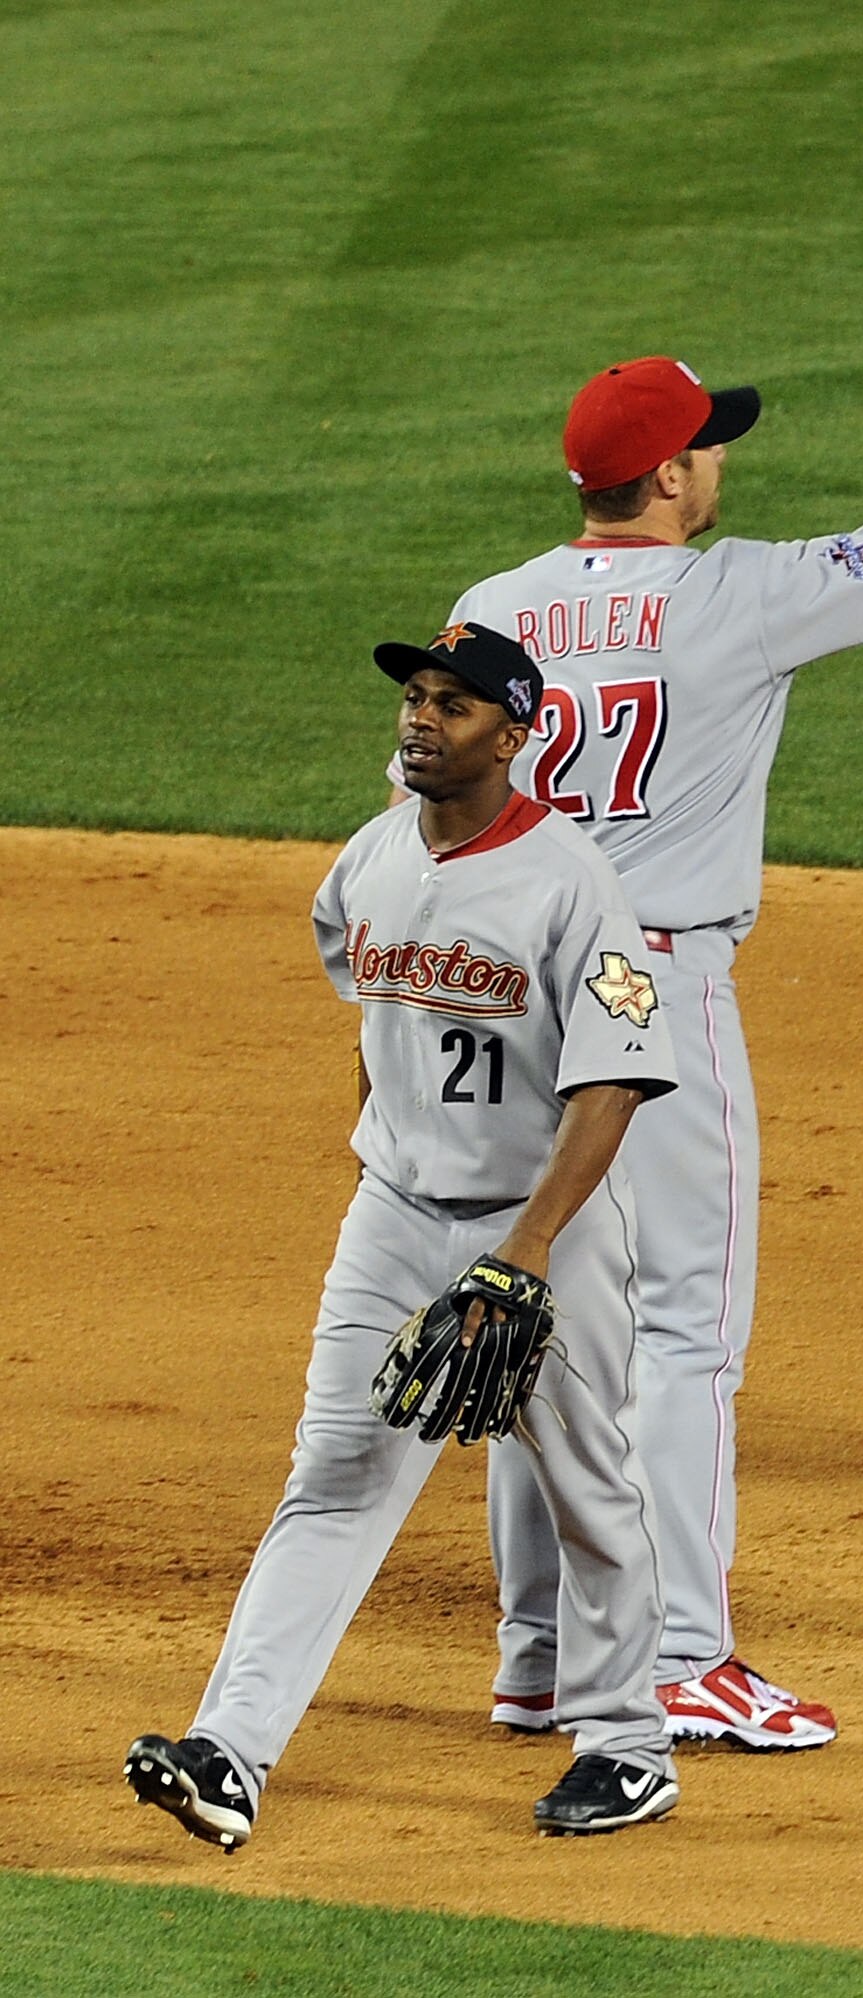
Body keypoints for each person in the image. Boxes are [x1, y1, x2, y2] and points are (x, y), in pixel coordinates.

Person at [442, 266, 863, 1751]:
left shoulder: (488, 612)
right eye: (709, 442)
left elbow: (437, 810)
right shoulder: (734, 591)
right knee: (683, 1332)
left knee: (530, 1311)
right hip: (652, 991)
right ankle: (678, 1650)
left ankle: (538, 1651)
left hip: (512, 986)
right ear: (666, 476)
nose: (723, 457)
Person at [127, 624, 681, 1847]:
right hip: (393, 1217)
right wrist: (391, 1164)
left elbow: (616, 1082)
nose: (423, 719)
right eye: (418, 698)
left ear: (516, 735)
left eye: (457, 705)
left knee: (586, 1485)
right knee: (332, 1479)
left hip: (546, 1231)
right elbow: (380, 1023)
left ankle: (628, 1742)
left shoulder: (574, 883)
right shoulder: (371, 857)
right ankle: (230, 1753)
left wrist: (527, 1248)